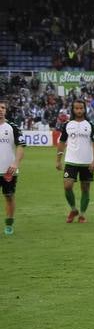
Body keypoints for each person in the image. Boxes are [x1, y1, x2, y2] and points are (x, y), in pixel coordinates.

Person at [56, 98, 94, 223]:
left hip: (87, 162)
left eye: (81, 108)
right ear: (73, 109)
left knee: (85, 189)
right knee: (67, 186)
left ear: (85, 109)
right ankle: (73, 209)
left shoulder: (90, 125)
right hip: (71, 161)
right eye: (76, 108)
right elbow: (61, 142)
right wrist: (58, 160)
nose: (79, 110)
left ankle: (82, 214)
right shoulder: (67, 125)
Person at [0, 100, 23, 235]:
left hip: (9, 170)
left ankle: (9, 224)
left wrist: (16, 163)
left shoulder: (13, 127)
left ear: (6, 110)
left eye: (2, 107)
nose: (0, 110)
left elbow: (20, 147)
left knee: (9, 196)